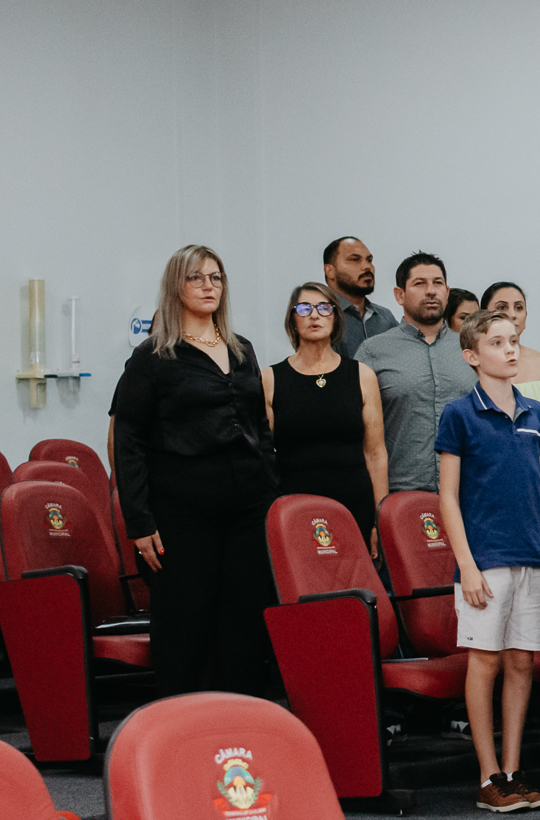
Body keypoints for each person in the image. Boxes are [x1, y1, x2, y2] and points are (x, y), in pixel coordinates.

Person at [112, 245, 280, 697]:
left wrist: (270, 494)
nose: (209, 286)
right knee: (185, 622)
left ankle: (240, 716)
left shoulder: (241, 349)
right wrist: (139, 520)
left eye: (216, 277)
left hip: (247, 508)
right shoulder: (153, 355)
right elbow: (128, 439)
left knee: (244, 619)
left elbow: (260, 427)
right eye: (196, 277)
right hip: (182, 510)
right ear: (176, 286)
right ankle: (182, 722)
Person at [436, 310, 540, 814]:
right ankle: (487, 776)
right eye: (498, 343)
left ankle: (512, 771)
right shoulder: (459, 414)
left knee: (522, 662)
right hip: (485, 558)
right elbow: (447, 496)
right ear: (471, 355)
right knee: (484, 661)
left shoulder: (534, 411)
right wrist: (465, 563)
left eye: (514, 341)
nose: (510, 350)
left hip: (531, 556)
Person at [263, 281, 388, 551]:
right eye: (304, 308)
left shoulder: (362, 375)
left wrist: (380, 519)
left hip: (355, 508)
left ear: (336, 317)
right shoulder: (270, 379)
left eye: (324, 308)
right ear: (292, 319)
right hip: (294, 510)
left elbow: (376, 453)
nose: (314, 315)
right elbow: (262, 458)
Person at [359, 253, 477, 493]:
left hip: (469, 490)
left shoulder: (472, 350)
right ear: (399, 295)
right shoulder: (372, 352)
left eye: (437, 283)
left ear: (447, 292)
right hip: (402, 492)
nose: (431, 291)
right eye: (419, 283)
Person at [481, 282, 540, 464]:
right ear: (484, 315)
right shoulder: (476, 363)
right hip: (488, 463)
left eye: (519, 308)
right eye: (502, 307)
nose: (512, 314)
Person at [324, 236, 396, 356]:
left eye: (369, 260)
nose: (367, 266)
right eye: (355, 259)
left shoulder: (385, 317)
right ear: (330, 271)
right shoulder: (321, 316)